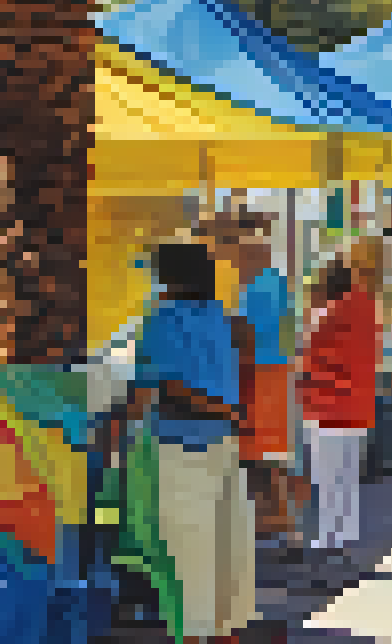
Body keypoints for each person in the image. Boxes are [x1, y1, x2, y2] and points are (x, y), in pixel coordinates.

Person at [120, 237, 258, 644]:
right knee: (227, 554)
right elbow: (244, 353)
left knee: (187, 561)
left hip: (179, 448)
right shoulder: (222, 317)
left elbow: (166, 388)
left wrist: (116, 429)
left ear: (170, 278)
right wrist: (233, 412)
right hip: (223, 447)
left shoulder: (160, 321)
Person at [214, 216, 298, 543]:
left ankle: (281, 523)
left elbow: (246, 334)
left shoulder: (260, 286)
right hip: (266, 373)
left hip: (261, 374)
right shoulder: (269, 282)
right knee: (262, 455)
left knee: (263, 455)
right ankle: (274, 522)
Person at [298, 256, 382, 555]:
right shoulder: (367, 312)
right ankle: (348, 531)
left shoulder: (322, 316)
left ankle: (327, 535)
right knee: (348, 474)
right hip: (358, 406)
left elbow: (306, 357)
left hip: (326, 405)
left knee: (326, 477)